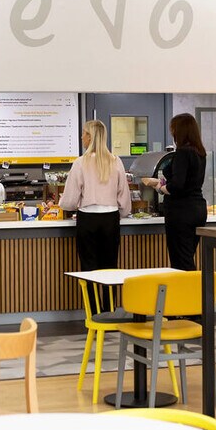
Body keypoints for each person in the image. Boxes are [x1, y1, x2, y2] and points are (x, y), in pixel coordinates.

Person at [60, 120, 131, 312]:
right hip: (110, 220)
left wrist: (64, 205)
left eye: (84, 133)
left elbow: (69, 200)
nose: (81, 137)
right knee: (110, 268)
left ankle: (94, 312)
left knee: (89, 269)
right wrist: (122, 212)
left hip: (88, 220)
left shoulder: (80, 163)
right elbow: (124, 197)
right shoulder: (115, 161)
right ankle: (109, 311)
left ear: (90, 137)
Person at [150, 113, 207, 271]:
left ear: (180, 131)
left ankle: (192, 288)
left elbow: (177, 185)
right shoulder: (200, 153)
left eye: (173, 129)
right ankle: (193, 287)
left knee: (181, 262)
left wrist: (160, 188)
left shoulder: (182, 153)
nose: (172, 133)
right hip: (198, 209)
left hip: (181, 212)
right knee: (187, 256)